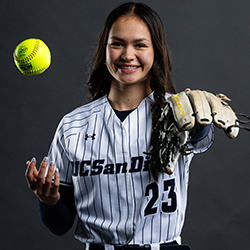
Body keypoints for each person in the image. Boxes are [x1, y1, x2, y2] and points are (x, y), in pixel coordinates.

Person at [25, 2, 214, 250]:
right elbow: (61, 225)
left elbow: (201, 140)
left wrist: (201, 122)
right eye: (117, 43)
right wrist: (48, 201)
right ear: (104, 50)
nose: (127, 54)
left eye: (140, 45)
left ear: (156, 51)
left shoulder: (177, 111)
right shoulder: (73, 125)